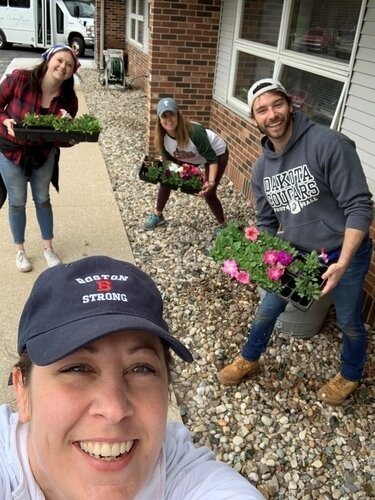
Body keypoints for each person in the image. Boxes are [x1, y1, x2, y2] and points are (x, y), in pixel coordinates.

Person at [1, 255, 264, 499]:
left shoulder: (183, 474)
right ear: (22, 392)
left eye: (140, 369)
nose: (114, 409)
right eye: (77, 369)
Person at [218, 78, 374, 406]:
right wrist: (253, 259)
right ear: (254, 118)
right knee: (267, 310)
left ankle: (350, 374)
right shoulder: (261, 169)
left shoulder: (329, 144)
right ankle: (249, 357)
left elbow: (360, 206)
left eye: (277, 104)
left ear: (290, 105)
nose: (271, 114)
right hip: (300, 255)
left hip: (344, 253)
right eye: (262, 110)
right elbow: (266, 222)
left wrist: (342, 262)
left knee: (348, 321)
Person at [0, 44, 81, 273]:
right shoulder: (20, 79)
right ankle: (20, 251)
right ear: (48, 60)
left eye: (69, 64)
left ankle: (48, 248)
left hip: (43, 154)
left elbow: (59, 138)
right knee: (17, 202)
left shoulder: (68, 99)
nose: (63, 66)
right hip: (10, 150)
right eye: (59, 60)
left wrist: (71, 138)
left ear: (72, 71)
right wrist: (5, 121)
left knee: (43, 199)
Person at [143, 97, 229, 233]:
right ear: (159, 119)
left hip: (216, 153)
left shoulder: (194, 132)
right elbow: (170, 166)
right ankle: (157, 214)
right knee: (166, 180)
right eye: (164, 115)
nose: (168, 119)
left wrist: (210, 182)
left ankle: (223, 226)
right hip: (192, 154)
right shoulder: (162, 138)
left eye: (172, 114)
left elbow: (212, 159)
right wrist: (165, 172)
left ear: (178, 114)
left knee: (209, 192)